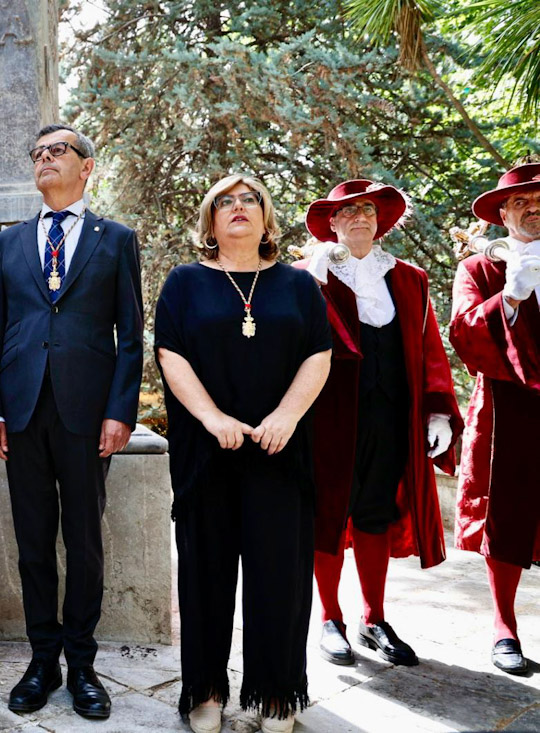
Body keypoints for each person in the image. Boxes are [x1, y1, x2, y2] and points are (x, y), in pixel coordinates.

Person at [0, 124, 143, 721]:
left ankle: (82, 663)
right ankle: (42, 658)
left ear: (86, 167)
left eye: (58, 152)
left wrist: (121, 411)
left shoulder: (115, 240)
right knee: (32, 545)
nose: (45, 159)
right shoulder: (10, 242)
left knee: (86, 542)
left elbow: (130, 335)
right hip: (20, 414)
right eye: (38, 154)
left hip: (86, 414)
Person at [155, 175, 332, 733]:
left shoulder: (298, 286)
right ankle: (205, 691)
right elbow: (169, 353)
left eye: (249, 199)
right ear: (210, 221)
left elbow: (318, 355)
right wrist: (212, 418)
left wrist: (286, 416)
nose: (238, 207)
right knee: (205, 576)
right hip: (207, 454)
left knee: (279, 576)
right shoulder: (183, 283)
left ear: (266, 217)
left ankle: (275, 695)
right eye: (224, 202)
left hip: (280, 452)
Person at [298, 180, 462, 668]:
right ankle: (331, 619)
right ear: (332, 223)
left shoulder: (408, 278)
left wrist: (437, 410)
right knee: (327, 514)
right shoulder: (309, 276)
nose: (359, 218)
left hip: (393, 416)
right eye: (347, 212)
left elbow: (429, 347)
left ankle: (374, 618)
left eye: (367, 209)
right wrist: (310, 281)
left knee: (375, 514)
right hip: (328, 420)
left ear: (380, 218)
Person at [450, 162, 540, 675]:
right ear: (503, 214)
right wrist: (509, 298)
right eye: (520, 202)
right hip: (509, 404)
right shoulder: (479, 270)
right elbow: (462, 332)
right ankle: (505, 624)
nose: (532, 209)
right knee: (506, 514)